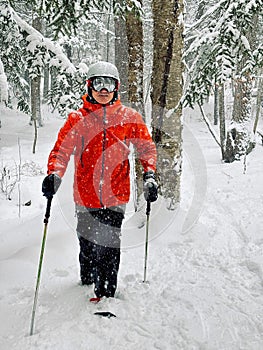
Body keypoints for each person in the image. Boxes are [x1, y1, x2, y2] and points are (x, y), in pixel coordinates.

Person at [42, 61, 158, 301]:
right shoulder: (77, 119)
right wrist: (54, 174)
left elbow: (146, 147)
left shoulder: (129, 117)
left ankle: (105, 293)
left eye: (108, 84)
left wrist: (149, 174)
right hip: (85, 196)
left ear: (116, 88)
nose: (103, 89)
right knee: (87, 242)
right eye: (98, 83)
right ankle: (87, 277)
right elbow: (61, 151)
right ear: (89, 86)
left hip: (116, 194)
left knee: (108, 244)